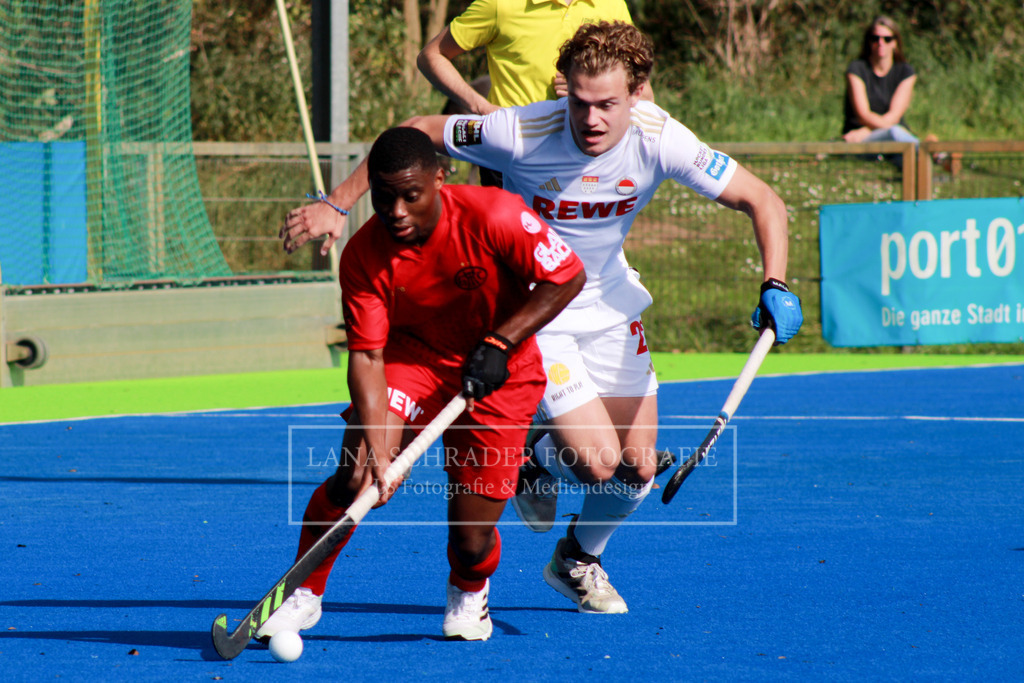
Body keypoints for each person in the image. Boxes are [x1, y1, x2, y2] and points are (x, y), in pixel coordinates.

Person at [280, 21, 803, 616]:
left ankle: (577, 558)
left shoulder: (663, 138)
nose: (591, 119)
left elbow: (763, 200)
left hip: (610, 307)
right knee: (598, 462)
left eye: (607, 104)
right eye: (579, 102)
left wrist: (775, 282)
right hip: (538, 312)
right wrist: (336, 203)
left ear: (636, 93)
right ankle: (531, 446)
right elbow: (418, 132)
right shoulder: (524, 130)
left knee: (634, 471)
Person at [260, 126, 585, 642]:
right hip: (413, 360)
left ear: (440, 178)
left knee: (472, 540)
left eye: (411, 196)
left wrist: (501, 344)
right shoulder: (364, 257)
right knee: (356, 475)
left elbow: (566, 276)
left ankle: (468, 590)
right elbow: (367, 357)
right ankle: (304, 592)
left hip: (501, 372)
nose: (397, 212)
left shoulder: (494, 215)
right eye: (384, 197)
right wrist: (378, 449)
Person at [417, 0, 650, 187]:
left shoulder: (611, 4)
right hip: (512, 153)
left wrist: (584, 92)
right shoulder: (500, 5)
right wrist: (480, 107)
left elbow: (643, 91)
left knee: (572, 245)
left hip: (582, 154)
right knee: (509, 244)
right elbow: (431, 56)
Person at [841, 15, 938, 166]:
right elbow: (863, 114)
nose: (881, 43)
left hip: (890, 139)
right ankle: (936, 154)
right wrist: (868, 132)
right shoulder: (856, 69)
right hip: (860, 140)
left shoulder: (905, 72)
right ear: (869, 42)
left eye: (887, 39)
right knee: (894, 133)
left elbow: (893, 117)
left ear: (895, 43)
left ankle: (934, 173)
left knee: (906, 160)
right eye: (875, 38)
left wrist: (868, 130)